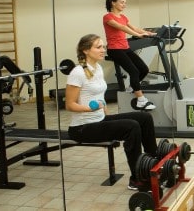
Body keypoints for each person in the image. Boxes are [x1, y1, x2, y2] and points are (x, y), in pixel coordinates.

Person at [65, 34, 158, 191]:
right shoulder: (77, 72)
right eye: (98, 47)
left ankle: (154, 163)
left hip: (99, 120)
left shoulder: (98, 68)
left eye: (103, 46)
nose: (103, 50)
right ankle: (137, 179)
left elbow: (98, 95)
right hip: (82, 127)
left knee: (144, 117)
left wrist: (106, 113)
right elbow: (70, 105)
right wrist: (91, 109)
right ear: (86, 50)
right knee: (131, 126)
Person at [103, 0, 155, 110]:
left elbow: (134, 28)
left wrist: (150, 34)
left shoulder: (124, 17)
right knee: (134, 71)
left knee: (144, 69)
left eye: (125, 3)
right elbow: (122, 28)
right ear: (113, 3)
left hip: (125, 48)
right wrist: (138, 35)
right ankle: (141, 100)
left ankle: (132, 87)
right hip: (114, 49)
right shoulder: (108, 17)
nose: (124, 5)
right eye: (122, 2)